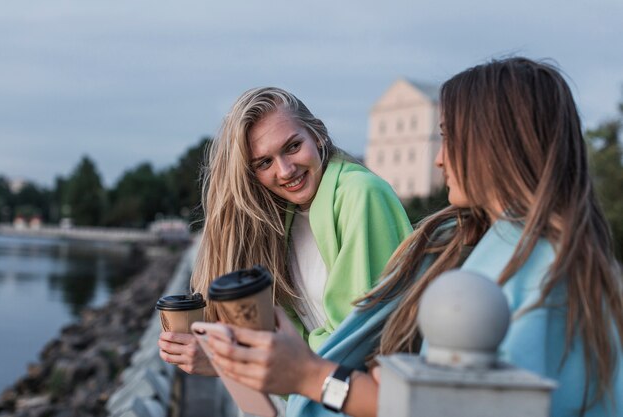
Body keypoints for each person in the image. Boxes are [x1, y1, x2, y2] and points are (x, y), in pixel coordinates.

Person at [203, 58, 623, 417]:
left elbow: (452, 409)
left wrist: (312, 376)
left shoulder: (541, 276)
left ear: (498, 146)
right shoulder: (499, 246)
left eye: (449, 137)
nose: (438, 158)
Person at [158, 87, 413, 375]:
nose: (285, 171)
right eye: (265, 162)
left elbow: (355, 341)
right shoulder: (285, 218)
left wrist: (229, 362)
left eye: (292, 147)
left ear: (317, 135)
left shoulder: (361, 195)